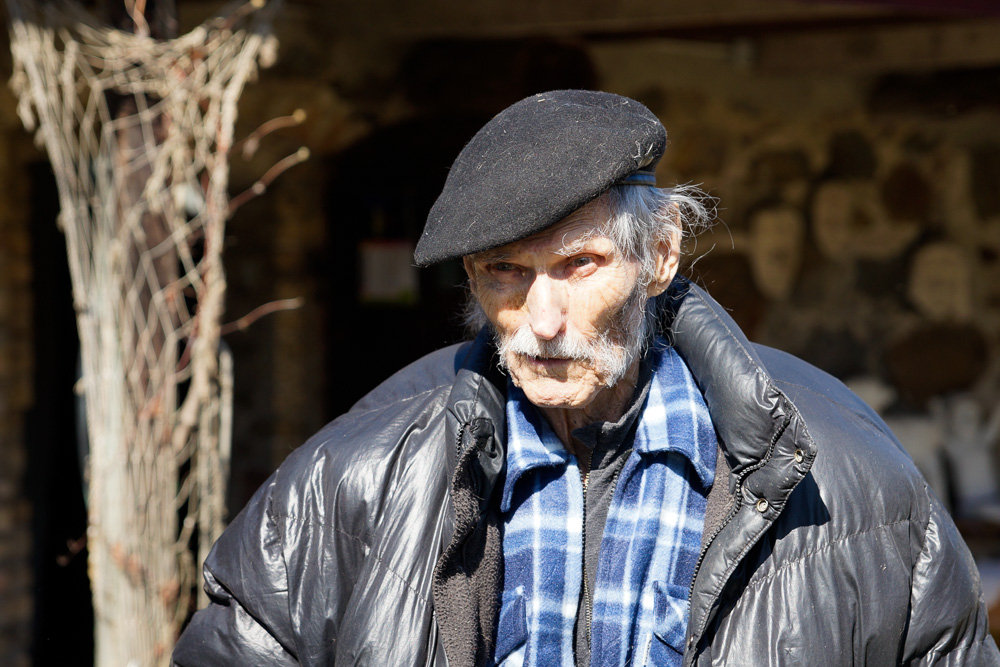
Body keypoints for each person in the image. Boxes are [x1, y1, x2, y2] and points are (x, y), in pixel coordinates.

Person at [172, 90, 1000, 666]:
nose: (541, 317)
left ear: (661, 254)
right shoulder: (347, 480)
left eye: (580, 264)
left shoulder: (852, 485)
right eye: (504, 271)